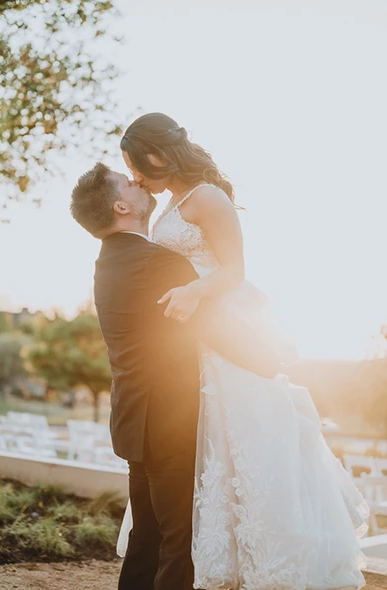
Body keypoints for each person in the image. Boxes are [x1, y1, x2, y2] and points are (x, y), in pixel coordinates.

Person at [116, 112, 369, 590]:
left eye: (135, 165)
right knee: (203, 461)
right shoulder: (169, 205)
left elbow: (233, 270)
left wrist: (193, 293)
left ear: (157, 153)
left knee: (242, 453)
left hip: (223, 339)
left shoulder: (208, 197)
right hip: (186, 348)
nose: (134, 177)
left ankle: (264, 568)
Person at [70, 162, 280, 590]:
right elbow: (215, 327)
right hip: (169, 422)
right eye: (128, 182)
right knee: (179, 539)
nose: (139, 182)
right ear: (121, 206)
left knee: (146, 535)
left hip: (133, 420)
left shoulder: (107, 262)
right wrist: (273, 360)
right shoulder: (158, 262)